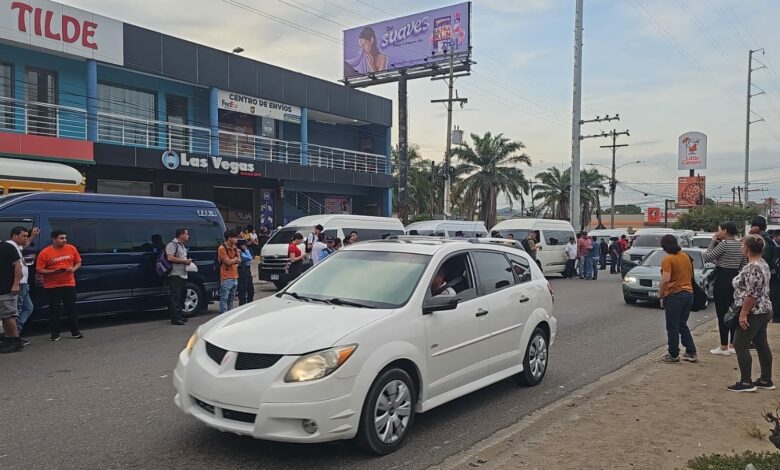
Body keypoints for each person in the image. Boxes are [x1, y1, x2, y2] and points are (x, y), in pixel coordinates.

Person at [727, 234, 774, 392]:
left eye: (742, 245)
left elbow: (752, 294)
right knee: (761, 344)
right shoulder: (762, 263)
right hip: (764, 309)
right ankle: (766, 379)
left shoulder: (753, 267)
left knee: (740, 344)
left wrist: (743, 314)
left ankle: (746, 382)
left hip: (753, 310)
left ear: (747, 248)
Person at [704, 221, 744, 356]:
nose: (718, 232)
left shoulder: (724, 244)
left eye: (719, 230)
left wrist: (712, 242)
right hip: (735, 278)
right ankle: (733, 344)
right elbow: (743, 264)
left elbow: (707, 256)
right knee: (734, 312)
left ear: (725, 231)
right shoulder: (740, 245)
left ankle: (723, 346)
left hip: (722, 279)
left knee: (722, 313)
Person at [36, 230, 83, 341]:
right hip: (52, 286)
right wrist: (53, 272)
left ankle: (75, 332)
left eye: (65, 238)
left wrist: (73, 269)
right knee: (55, 310)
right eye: (61, 238)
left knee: (71, 308)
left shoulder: (71, 248)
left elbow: (78, 262)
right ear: (54, 239)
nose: (64, 240)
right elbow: (39, 270)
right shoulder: (45, 252)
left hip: (68, 283)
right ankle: (55, 334)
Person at [658, 234, 697, 363]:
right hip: (688, 293)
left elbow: (665, 280)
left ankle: (673, 353)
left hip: (674, 295)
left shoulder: (668, 259)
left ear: (664, 246)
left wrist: (661, 295)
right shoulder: (686, 256)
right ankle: (691, 351)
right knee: (682, 324)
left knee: (672, 326)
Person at [7, 226, 38, 343]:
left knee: (28, 308)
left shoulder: (16, 246)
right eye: (23, 236)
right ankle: (13, 337)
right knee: (17, 310)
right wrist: (16, 284)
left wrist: (33, 236)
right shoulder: (9, 246)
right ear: (15, 236)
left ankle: (15, 333)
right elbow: (15, 266)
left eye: (26, 236)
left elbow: (24, 245)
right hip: (19, 284)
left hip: (24, 284)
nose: (26, 238)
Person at [750, 216, 780, 323]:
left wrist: (751, 234)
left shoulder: (759, 240)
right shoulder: (769, 239)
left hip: (759, 277)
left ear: (754, 227)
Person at [0, 232, 22, 353]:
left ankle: (15, 341)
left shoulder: (6, 247)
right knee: (4, 316)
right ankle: (8, 340)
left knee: (9, 315)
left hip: (7, 288)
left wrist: (15, 284)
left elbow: (18, 266)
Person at [166, 228, 193, 326]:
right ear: (181, 235)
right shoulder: (172, 245)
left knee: (183, 295)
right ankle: (175, 318)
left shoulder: (182, 246)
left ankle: (180, 315)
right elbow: (170, 257)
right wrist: (184, 261)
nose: (188, 236)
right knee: (175, 296)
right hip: (175, 274)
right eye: (186, 234)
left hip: (183, 273)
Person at [218, 230, 241, 313]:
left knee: (231, 298)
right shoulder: (222, 248)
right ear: (229, 238)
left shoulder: (235, 247)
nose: (236, 240)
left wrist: (234, 260)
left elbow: (239, 260)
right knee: (224, 297)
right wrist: (235, 259)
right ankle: (223, 314)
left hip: (235, 276)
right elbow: (227, 262)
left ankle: (229, 313)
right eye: (235, 238)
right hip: (226, 277)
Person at [236, 239, 254, 306]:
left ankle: (249, 304)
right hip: (242, 273)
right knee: (242, 292)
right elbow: (249, 258)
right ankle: (242, 306)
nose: (246, 246)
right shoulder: (239, 252)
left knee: (251, 290)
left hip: (247, 272)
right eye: (244, 245)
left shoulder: (243, 252)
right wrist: (246, 249)